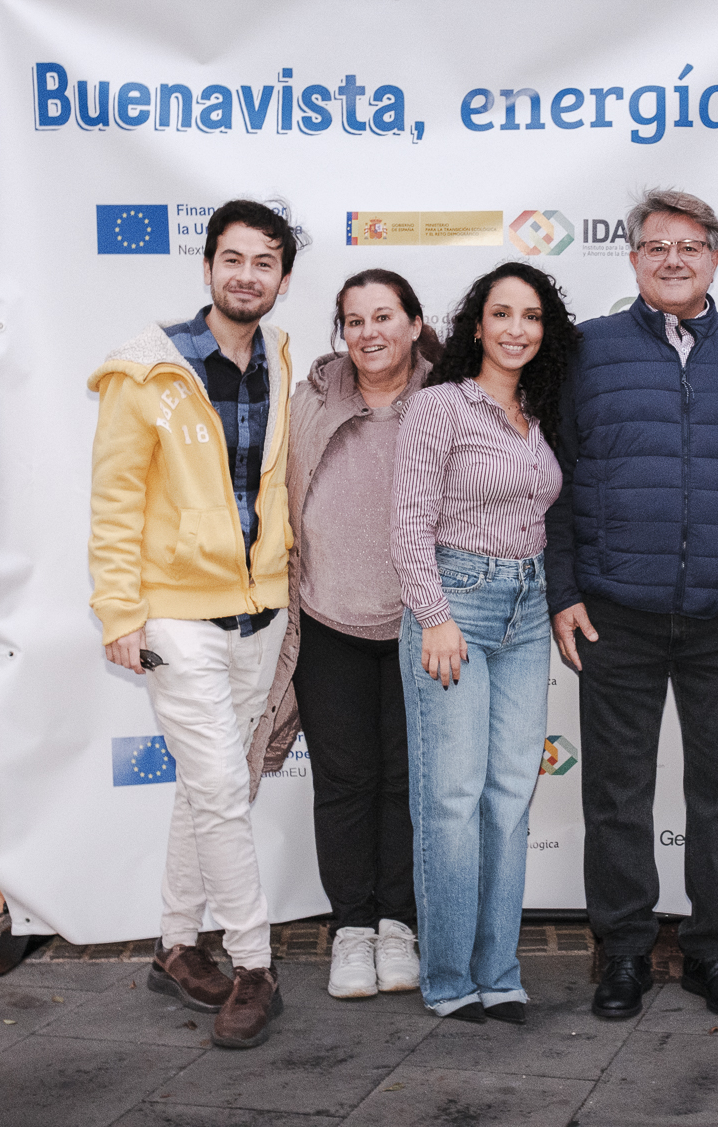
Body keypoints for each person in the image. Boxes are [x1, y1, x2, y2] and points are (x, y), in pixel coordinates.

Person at [547, 188, 718, 1021]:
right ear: (634, 258)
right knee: (616, 792)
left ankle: (713, 950)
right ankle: (623, 952)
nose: (673, 259)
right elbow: (555, 477)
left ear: (715, 256)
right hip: (616, 611)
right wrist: (564, 590)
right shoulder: (587, 351)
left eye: (690, 245)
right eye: (657, 246)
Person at [87, 199, 304, 1050]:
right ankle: (254, 963)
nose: (247, 275)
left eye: (265, 262)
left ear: (282, 278)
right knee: (219, 786)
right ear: (207, 265)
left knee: (209, 786)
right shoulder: (147, 370)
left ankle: (177, 945)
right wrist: (120, 611)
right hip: (175, 614)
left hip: (260, 610)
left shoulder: (282, 357)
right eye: (233, 259)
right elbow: (114, 502)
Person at [390, 262, 580, 1024]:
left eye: (530, 316)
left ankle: (499, 971)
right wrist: (435, 615)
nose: (516, 329)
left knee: (508, 797)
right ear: (477, 324)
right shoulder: (440, 406)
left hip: (527, 611)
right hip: (455, 608)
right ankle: (447, 977)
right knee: (452, 798)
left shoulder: (538, 412)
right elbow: (409, 521)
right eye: (502, 313)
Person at [252, 269, 444, 1001]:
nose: (369, 333)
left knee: (406, 782)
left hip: (419, 628)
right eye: (354, 321)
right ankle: (353, 930)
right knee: (344, 783)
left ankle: (398, 925)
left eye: (384, 316)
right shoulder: (310, 401)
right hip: (328, 624)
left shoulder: (448, 401)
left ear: (415, 324)